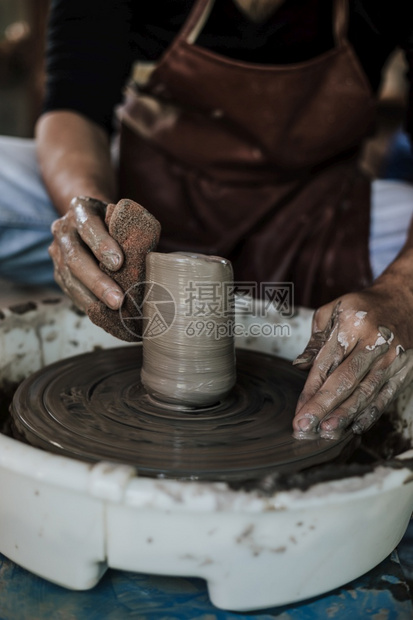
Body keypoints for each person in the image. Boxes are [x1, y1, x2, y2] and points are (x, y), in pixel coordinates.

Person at [1, 0, 413, 440]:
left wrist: (403, 292)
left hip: (321, 214)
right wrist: (90, 217)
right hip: (147, 203)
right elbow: (75, 104)